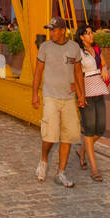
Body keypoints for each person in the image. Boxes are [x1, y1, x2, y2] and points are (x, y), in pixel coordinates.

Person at [31, 17, 85, 188]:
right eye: (50, 30)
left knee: (68, 136)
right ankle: (44, 160)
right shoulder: (45, 47)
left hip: (69, 97)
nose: (51, 33)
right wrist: (35, 94)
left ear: (63, 30)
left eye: (54, 30)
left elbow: (78, 72)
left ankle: (61, 172)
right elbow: (38, 72)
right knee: (50, 135)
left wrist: (81, 94)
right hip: (51, 96)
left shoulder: (74, 48)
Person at [74, 25, 109, 182]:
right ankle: (94, 169)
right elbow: (76, 74)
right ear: (81, 37)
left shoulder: (96, 48)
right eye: (87, 33)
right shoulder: (78, 52)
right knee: (89, 129)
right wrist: (80, 95)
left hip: (98, 87)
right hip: (86, 89)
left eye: (91, 33)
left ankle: (82, 150)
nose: (90, 35)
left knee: (100, 127)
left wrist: (105, 68)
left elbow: (103, 62)